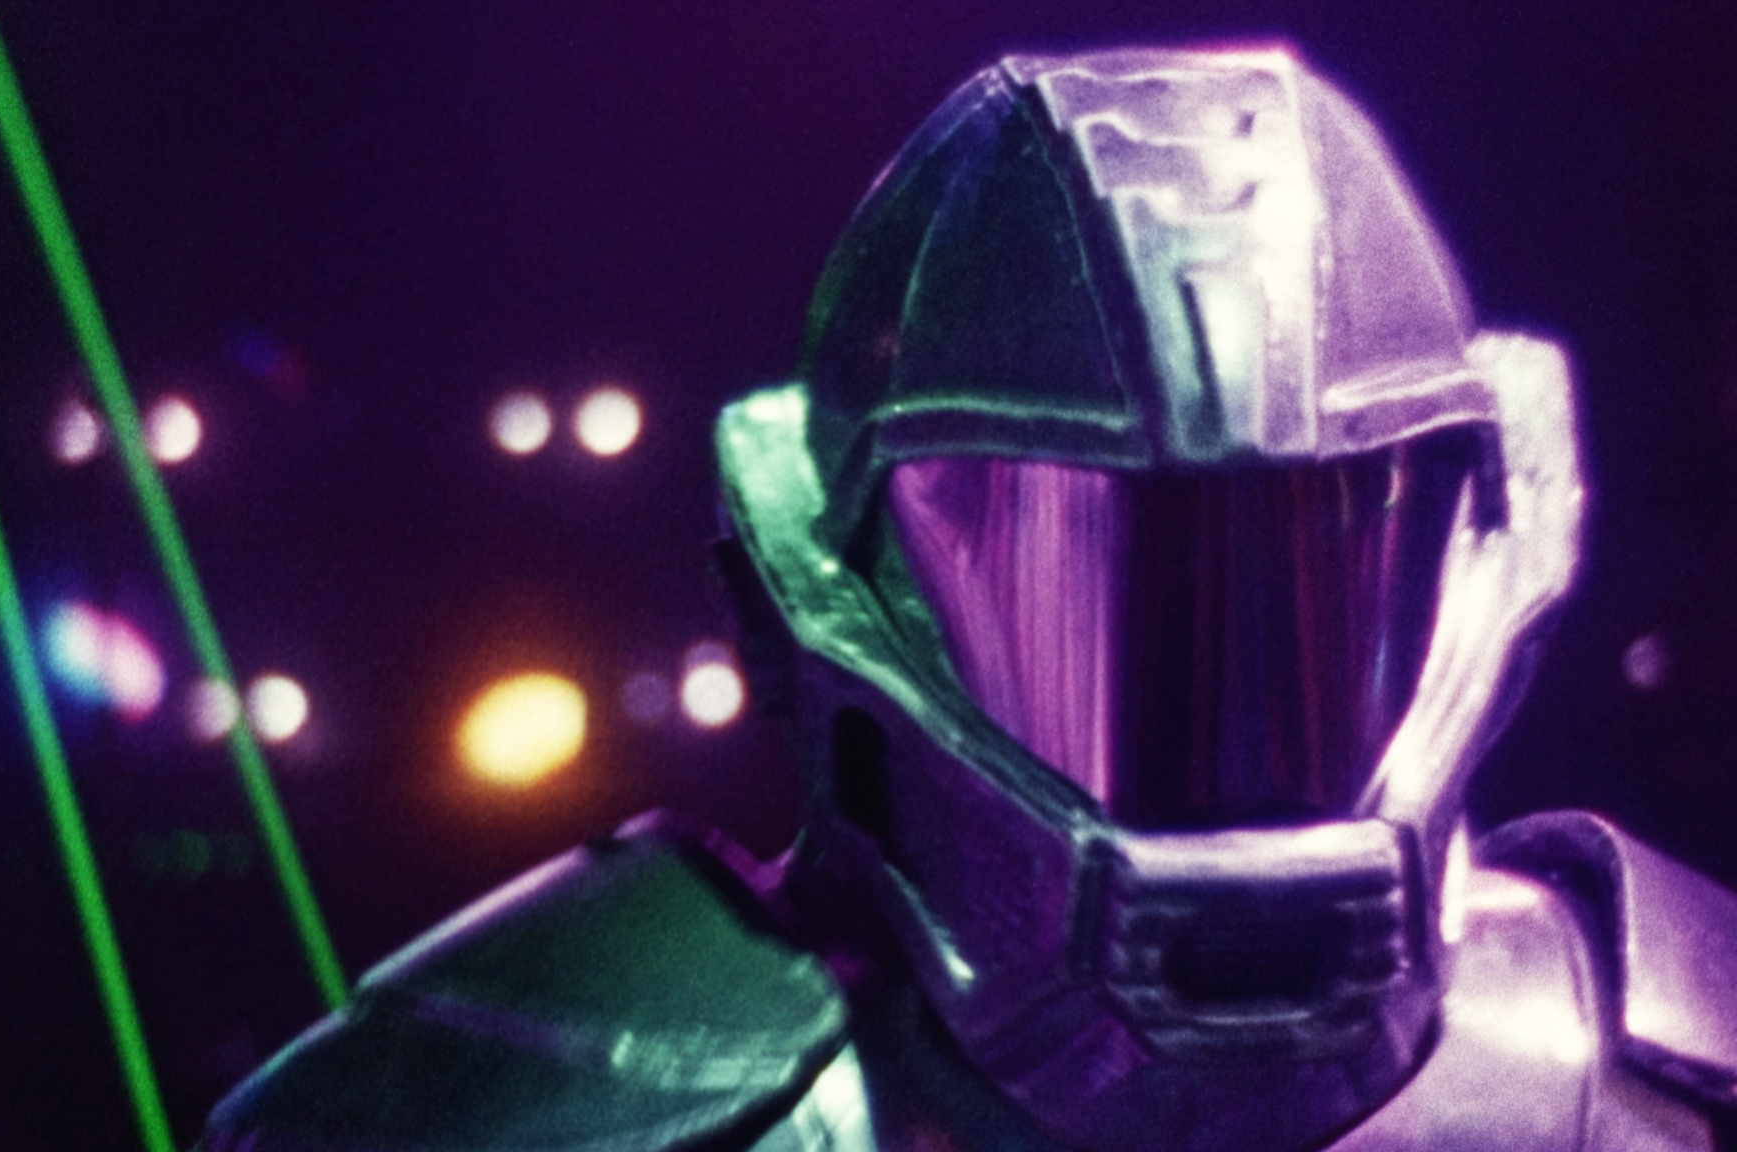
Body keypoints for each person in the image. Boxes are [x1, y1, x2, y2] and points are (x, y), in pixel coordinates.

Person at [199, 45, 1737, 1151]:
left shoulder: (1660, 1075)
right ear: (836, 596)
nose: (1222, 708)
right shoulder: (537, 1091)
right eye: (1061, 575)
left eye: (1314, 575)